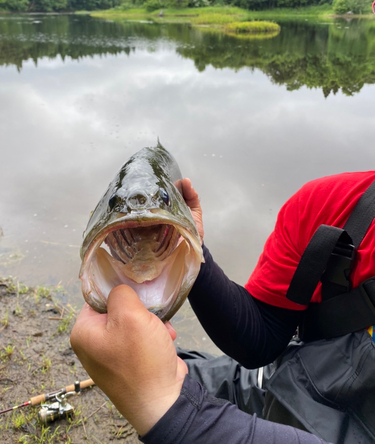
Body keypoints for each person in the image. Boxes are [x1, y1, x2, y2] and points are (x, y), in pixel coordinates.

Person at [71, 171, 375, 443]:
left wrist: (173, 416)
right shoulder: (327, 204)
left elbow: (177, 415)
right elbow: (262, 341)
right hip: (308, 378)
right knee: (183, 369)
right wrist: (191, 252)